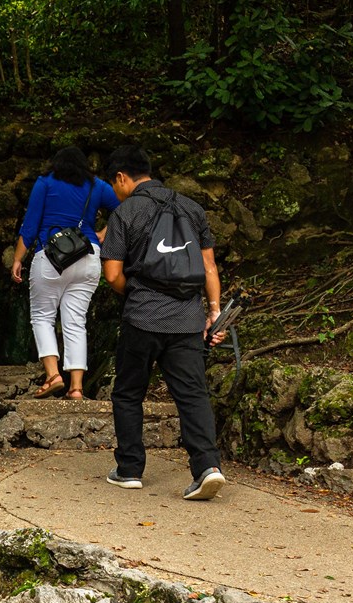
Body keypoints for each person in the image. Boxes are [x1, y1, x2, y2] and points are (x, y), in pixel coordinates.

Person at [98, 145, 228, 501]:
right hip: (187, 319)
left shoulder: (126, 212)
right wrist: (213, 312)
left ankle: (129, 470)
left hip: (142, 317)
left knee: (128, 392)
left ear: (122, 178)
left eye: (114, 184)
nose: (115, 190)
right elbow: (209, 267)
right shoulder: (192, 208)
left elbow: (112, 275)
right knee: (192, 395)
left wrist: (137, 293)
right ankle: (207, 467)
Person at [11, 147, 121, 400]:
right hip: (88, 254)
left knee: (42, 316)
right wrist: (103, 233)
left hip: (52, 255)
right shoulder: (97, 186)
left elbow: (30, 225)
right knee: (75, 321)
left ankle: (53, 376)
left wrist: (18, 258)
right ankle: (76, 387)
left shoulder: (45, 183)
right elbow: (128, 206)